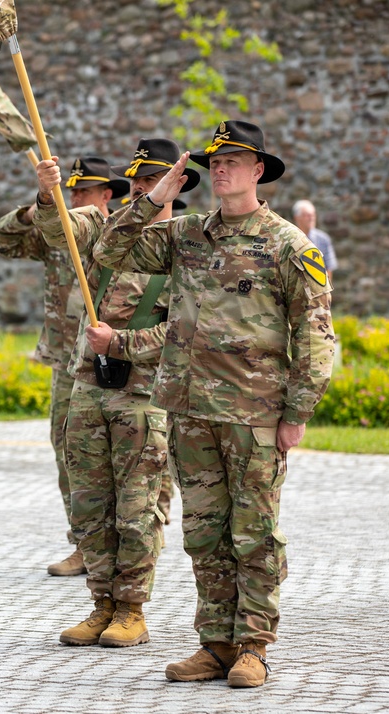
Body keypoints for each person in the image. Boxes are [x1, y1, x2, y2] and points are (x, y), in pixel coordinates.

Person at [95, 121, 335, 686]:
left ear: (258, 171)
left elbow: (317, 334)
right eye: (213, 162)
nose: (220, 168)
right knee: (204, 532)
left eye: (233, 160)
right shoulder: (185, 234)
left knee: (254, 532)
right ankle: (216, 644)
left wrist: (296, 413)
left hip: (254, 413)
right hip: (189, 409)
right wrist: (159, 194)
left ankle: (254, 645)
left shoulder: (286, 245)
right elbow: (109, 248)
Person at [34, 139, 197, 648]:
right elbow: (56, 227)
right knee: (90, 503)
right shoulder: (106, 232)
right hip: (88, 385)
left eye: (152, 181)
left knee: (136, 507)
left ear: (176, 185)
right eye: (137, 183)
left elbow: (186, 332)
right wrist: (47, 195)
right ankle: (100, 602)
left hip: (142, 393)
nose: (142, 190)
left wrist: (123, 343)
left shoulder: (188, 245)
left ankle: (131, 609)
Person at [0, 156, 128, 577]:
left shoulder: (125, 234)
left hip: (117, 359)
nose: (76, 198)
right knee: (71, 453)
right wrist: (38, 206)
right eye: (72, 191)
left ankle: (130, 545)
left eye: (84, 191)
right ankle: (85, 544)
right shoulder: (57, 233)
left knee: (127, 456)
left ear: (107, 195)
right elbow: (3, 242)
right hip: (66, 361)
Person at [292, 199, 338, 279]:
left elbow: (329, 268)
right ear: (297, 218)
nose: (311, 218)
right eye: (307, 215)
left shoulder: (323, 239)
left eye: (313, 215)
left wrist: (326, 290)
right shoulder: (289, 239)